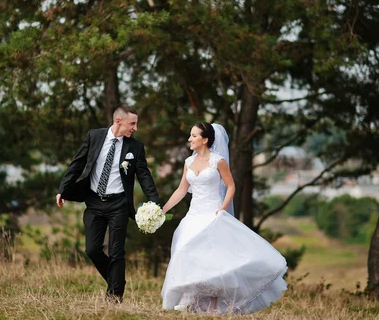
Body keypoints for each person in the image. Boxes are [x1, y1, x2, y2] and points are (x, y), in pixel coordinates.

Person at [161, 122, 287, 314]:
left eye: (193, 136)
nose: (189, 139)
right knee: (185, 250)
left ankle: (212, 305)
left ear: (205, 139)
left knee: (214, 259)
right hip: (194, 215)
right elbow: (181, 189)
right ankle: (191, 298)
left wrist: (222, 208)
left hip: (212, 213)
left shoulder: (218, 161)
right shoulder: (188, 162)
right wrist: (164, 209)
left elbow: (230, 186)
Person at [56, 104, 160, 302]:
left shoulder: (135, 147)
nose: (135, 128)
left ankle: (114, 297)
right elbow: (77, 163)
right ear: (118, 121)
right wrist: (63, 189)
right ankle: (117, 281)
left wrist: (154, 202)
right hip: (94, 202)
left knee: (116, 251)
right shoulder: (94, 136)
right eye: (133, 123)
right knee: (92, 250)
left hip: (119, 204)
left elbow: (144, 176)